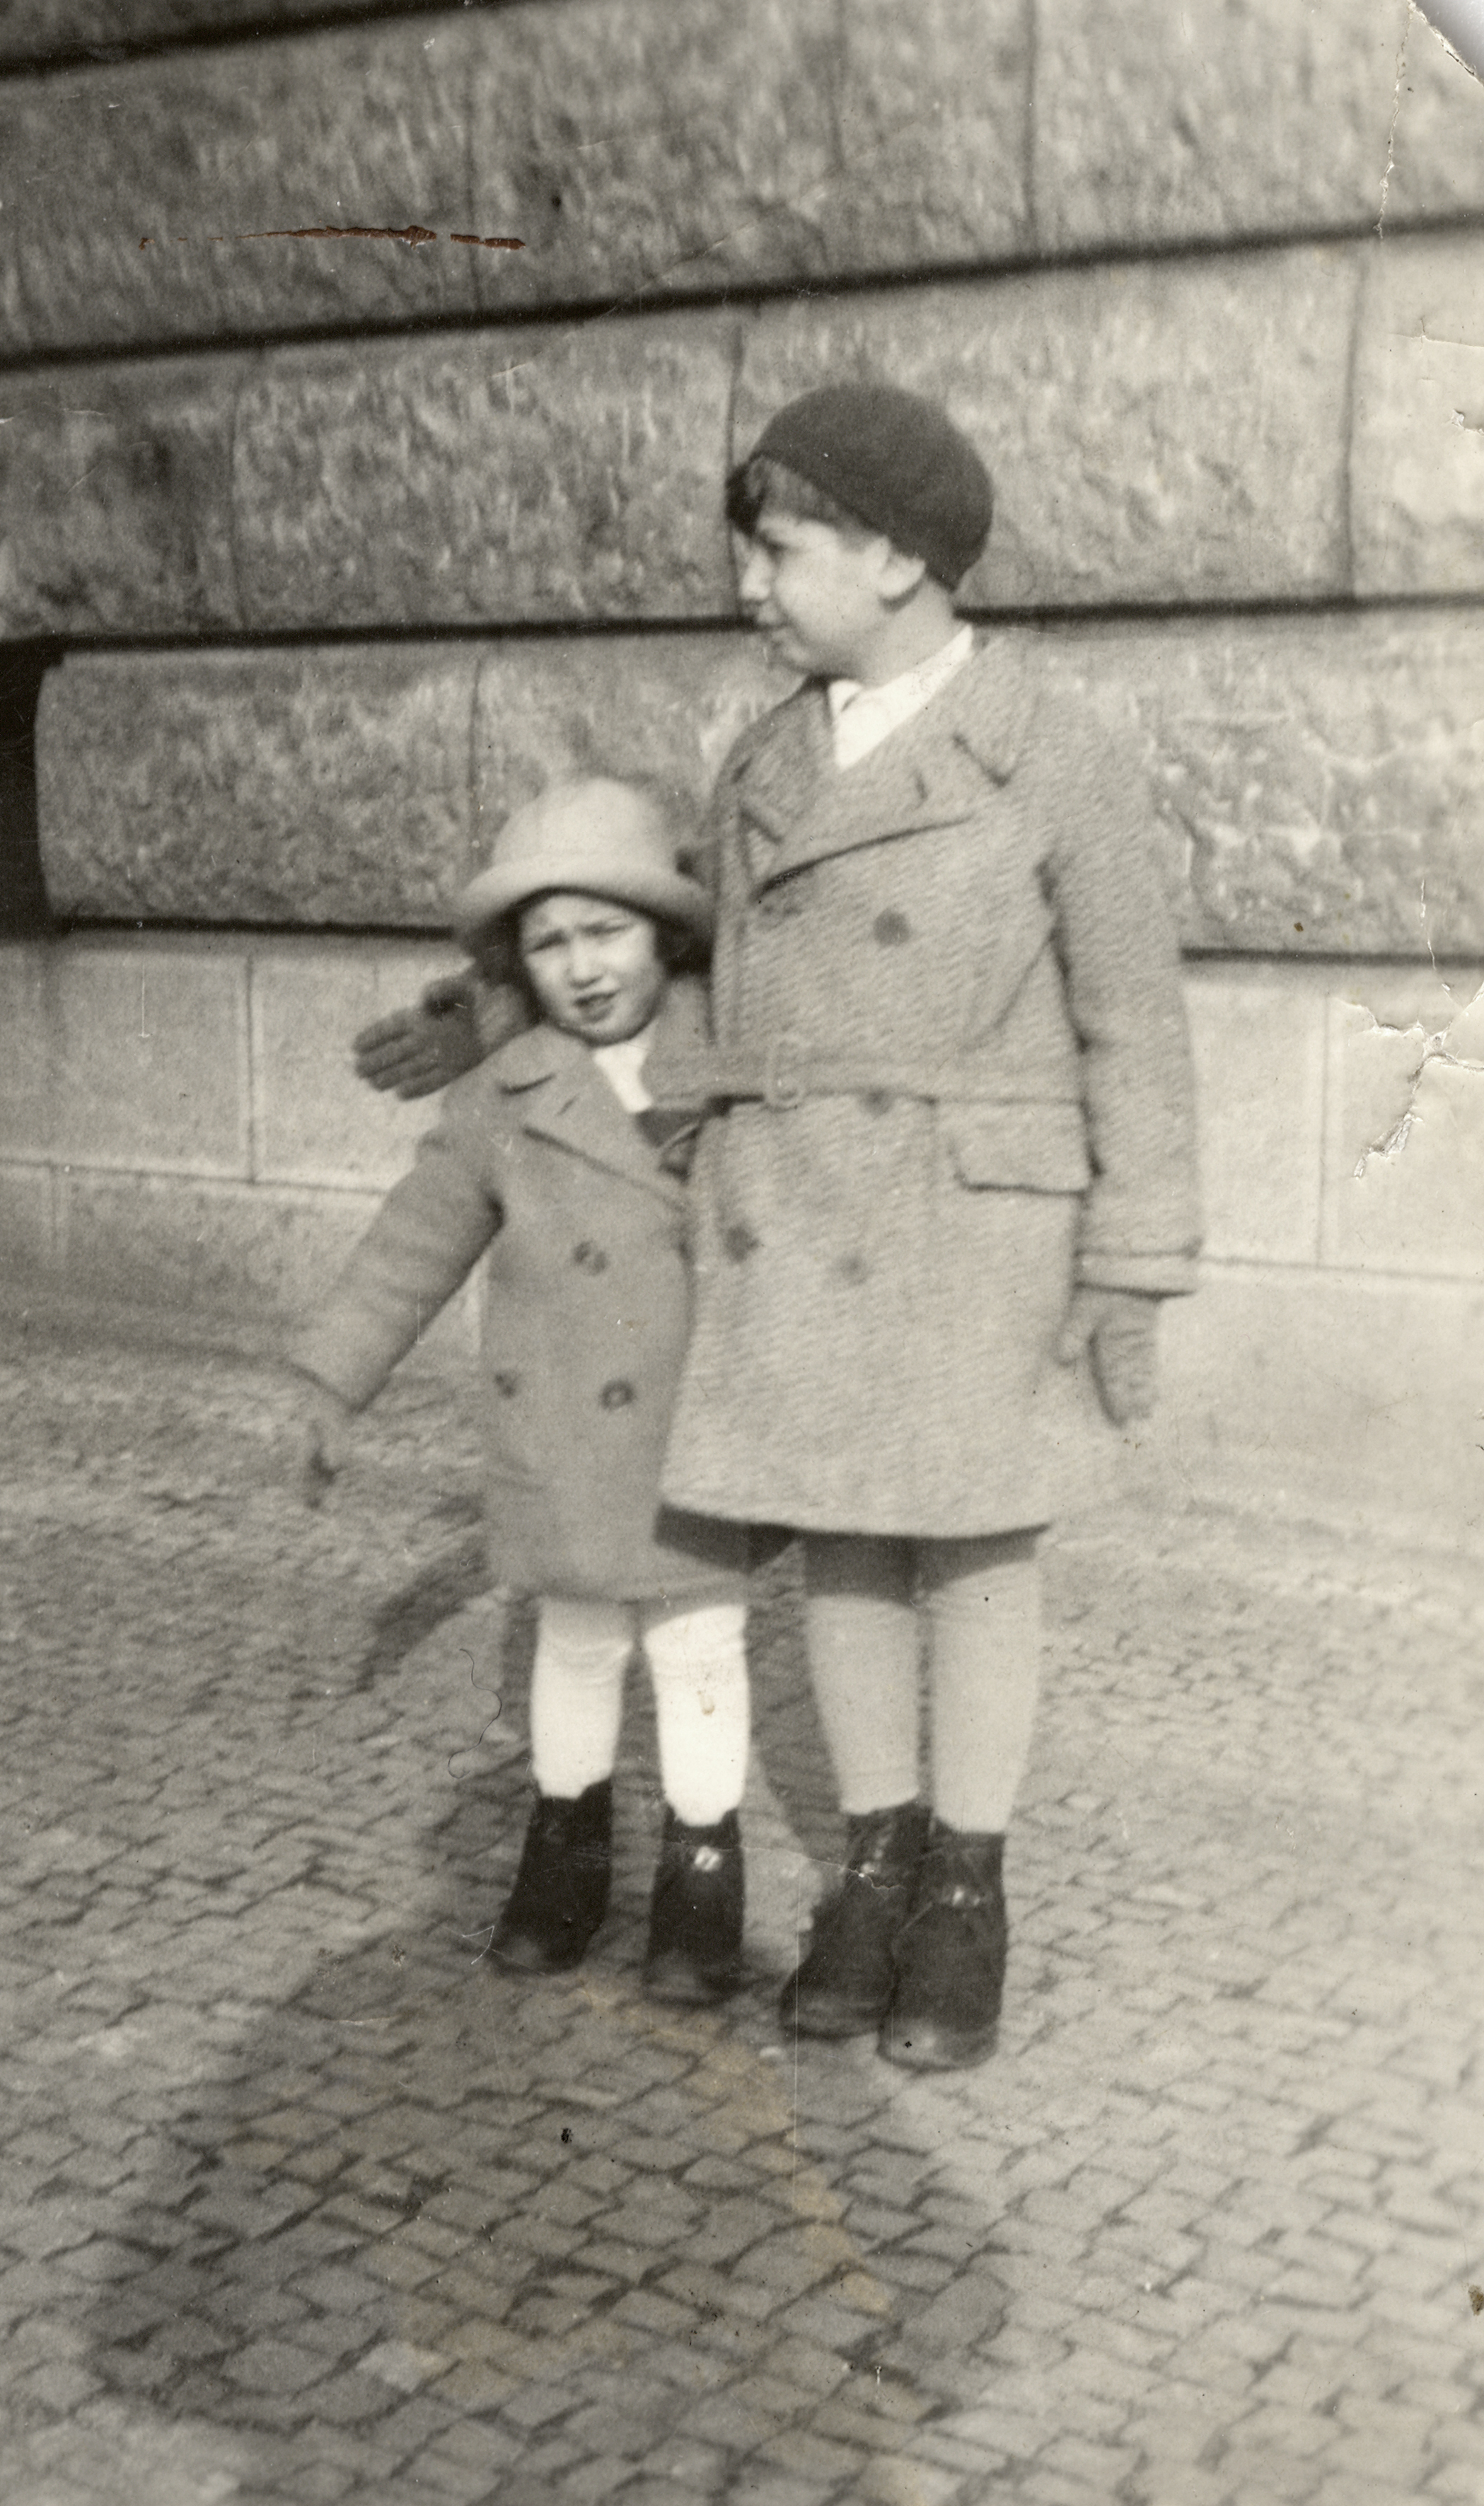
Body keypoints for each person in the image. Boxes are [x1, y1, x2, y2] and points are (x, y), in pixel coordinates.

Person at [354, 383, 1200, 2072]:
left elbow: (1135, 1027)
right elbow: (664, 949)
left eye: (777, 549)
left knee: (976, 1549)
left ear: (894, 557)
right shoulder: (763, 761)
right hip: (795, 1204)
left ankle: (965, 1889)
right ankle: (872, 1868)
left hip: (981, 1220)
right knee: (846, 1543)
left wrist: (1132, 1261)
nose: (747, 584)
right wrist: (493, 1006)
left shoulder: (1053, 751)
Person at [290, 779, 751, 2007]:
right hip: (559, 1432)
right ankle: (564, 1863)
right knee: (580, 1642)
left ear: (668, 935)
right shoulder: (504, 1093)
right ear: (514, 966)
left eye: (607, 932)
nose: (583, 969)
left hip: (698, 1430)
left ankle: (702, 1889)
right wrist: (335, 1379)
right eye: (548, 945)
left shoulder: (734, 1059)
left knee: (699, 1650)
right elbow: (415, 1239)